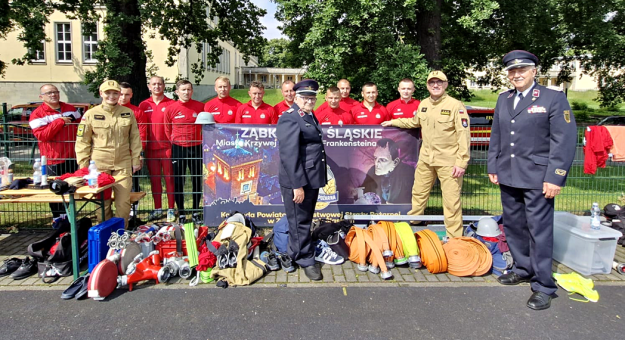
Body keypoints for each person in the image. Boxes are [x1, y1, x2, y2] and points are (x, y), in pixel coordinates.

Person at [487, 50, 577, 310]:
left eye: (522, 70)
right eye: (512, 71)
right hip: (509, 173)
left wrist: (555, 177)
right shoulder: (504, 99)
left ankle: (543, 285)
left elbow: (564, 140)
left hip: (539, 177)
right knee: (514, 226)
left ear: (534, 71)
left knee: (539, 230)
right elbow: (497, 136)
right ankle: (523, 268)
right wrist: (494, 165)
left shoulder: (553, 98)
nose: (516, 75)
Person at [381, 71, 470, 237]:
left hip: (449, 161)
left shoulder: (455, 105)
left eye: (439, 82)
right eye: (432, 83)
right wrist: (393, 122)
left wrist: (461, 162)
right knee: (418, 193)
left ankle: (455, 238)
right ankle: (413, 227)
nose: (435, 85)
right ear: (428, 85)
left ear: (445, 84)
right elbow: (414, 122)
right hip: (426, 159)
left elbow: (463, 135)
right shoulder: (424, 104)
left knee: (451, 201)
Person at [276, 79, 327, 281]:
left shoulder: (308, 115)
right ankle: (304, 258)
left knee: (303, 219)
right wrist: (297, 186)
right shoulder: (290, 118)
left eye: (313, 97)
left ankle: (297, 250)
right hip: (298, 180)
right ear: (296, 98)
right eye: (305, 97)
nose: (310, 100)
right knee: (299, 222)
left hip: (310, 177)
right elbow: (289, 155)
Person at [75, 80, 143, 228]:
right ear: (101, 94)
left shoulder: (127, 113)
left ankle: (121, 234)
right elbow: (82, 141)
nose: (112, 96)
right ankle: (104, 234)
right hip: (99, 165)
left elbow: (135, 138)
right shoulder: (91, 114)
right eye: (108, 93)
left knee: (123, 203)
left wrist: (136, 159)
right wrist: (83, 164)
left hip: (122, 163)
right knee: (102, 203)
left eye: (115, 93)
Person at [29, 84, 81, 219]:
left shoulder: (70, 108)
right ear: (41, 97)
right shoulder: (37, 114)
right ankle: (58, 219)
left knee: (72, 187)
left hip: (72, 156)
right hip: (53, 158)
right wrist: (59, 122)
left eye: (55, 92)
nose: (53, 95)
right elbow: (43, 136)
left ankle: (71, 218)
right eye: (49, 93)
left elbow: (81, 127)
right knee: (56, 189)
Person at [164, 80, 205, 225]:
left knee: (196, 180)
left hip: (196, 147)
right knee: (178, 181)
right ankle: (181, 212)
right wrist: (176, 142)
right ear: (177, 92)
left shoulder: (200, 107)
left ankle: (195, 211)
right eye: (183, 90)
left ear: (192, 91)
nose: (186, 92)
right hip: (179, 148)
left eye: (189, 89)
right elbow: (167, 129)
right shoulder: (171, 109)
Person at [138, 76, 176, 222]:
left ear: (164, 86)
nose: (157, 87)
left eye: (159, 84)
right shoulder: (143, 105)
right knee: (155, 179)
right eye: (154, 84)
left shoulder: (171, 103)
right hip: (150, 148)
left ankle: (171, 209)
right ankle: (158, 208)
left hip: (167, 147)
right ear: (149, 86)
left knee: (169, 178)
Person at [118, 82, 147, 217]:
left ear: (131, 95)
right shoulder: (107, 111)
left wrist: (139, 154)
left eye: (127, 95)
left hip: (130, 155)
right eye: (121, 94)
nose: (123, 97)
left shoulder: (137, 112)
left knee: (132, 183)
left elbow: (142, 135)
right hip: (113, 155)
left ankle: (132, 212)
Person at [361, 138, 414, 204]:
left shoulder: (408, 172)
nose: (376, 163)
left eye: (383, 160)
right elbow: (364, 193)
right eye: (375, 158)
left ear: (395, 162)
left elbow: (412, 199)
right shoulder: (372, 171)